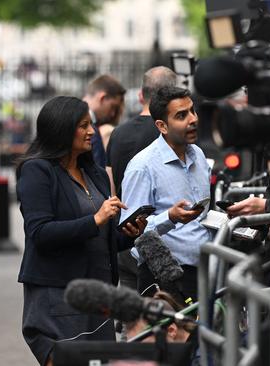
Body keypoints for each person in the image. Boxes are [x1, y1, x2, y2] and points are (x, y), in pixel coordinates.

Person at [16, 96, 146, 366]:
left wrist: (128, 232)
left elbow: (102, 238)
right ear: (61, 129)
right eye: (84, 125)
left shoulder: (95, 173)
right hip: (59, 296)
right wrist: (96, 219)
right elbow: (40, 233)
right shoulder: (37, 171)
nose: (92, 132)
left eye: (91, 124)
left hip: (98, 296)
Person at [121, 86, 212, 301]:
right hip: (165, 279)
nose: (193, 119)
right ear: (162, 126)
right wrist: (169, 218)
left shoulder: (198, 154)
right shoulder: (142, 166)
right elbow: (132, 231)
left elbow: (203, 218)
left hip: (205, 274)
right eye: (181, 115)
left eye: (192, 111)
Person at [105, 66, 178, 297]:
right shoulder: (168, 133)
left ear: (140, 95)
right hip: (162, 239)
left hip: (125, 232)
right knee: (166, 312)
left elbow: (110, 186)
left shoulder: (118, 134)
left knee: (131, 315)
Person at [82, 74, 126, 168]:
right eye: (112, 107)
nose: (113, 114)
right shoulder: (86, 125)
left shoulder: (79, 119)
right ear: (102, 98)